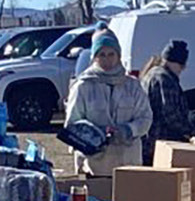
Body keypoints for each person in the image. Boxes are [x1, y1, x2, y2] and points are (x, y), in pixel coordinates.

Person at [64, 29, 152, 175]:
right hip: (94, 167)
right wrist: (93, 136)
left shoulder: (132, 86)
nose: (107, 59)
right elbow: (72, 125)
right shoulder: (83, 86)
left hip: (128, 165)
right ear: (94, 57)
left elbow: (145, 118)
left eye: (111, 54)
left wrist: (128, 130)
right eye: (102, 55)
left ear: (118, 55)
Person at [140, 38, 195, 165]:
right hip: (160, 144)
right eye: (182, 65)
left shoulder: (152, 73)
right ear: (175, 62)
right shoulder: (165, 80)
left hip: (148, 142)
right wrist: (192, 132)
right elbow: (171, 114)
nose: (183, 69)